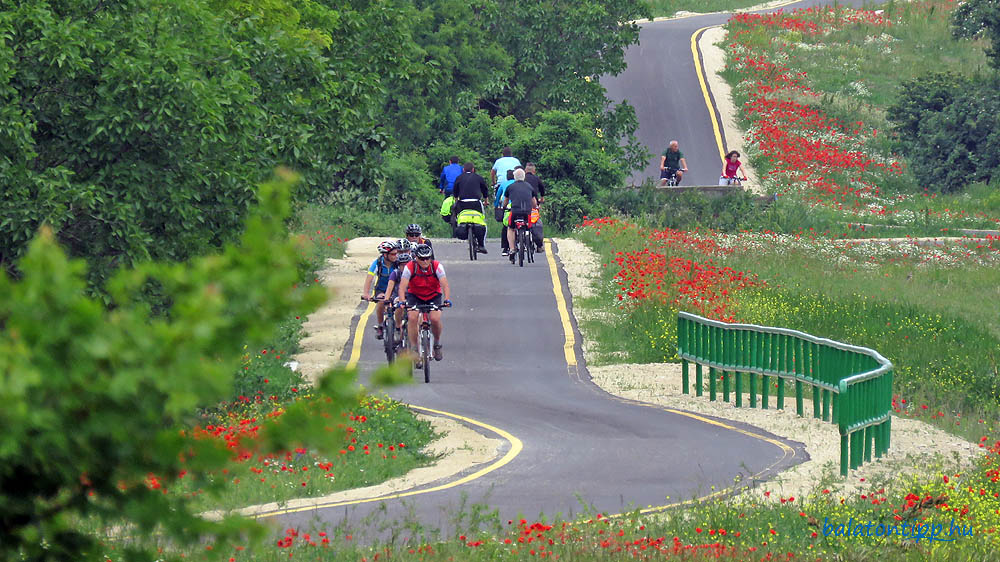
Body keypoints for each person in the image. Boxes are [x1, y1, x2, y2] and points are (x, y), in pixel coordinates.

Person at [397, 244, 452, 365]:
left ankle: (437, 343)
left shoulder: (437, 266)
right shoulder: (410, 267)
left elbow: (445, 284)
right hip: (415, 295)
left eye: (428, 258)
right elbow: (402, 286)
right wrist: (401, 301)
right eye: (422, 259)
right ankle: (414, 348)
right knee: (412, 317)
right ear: (416, 258)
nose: (425, 261)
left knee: (435, 318)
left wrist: (447, 299)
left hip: (433, 295)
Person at [361, 240, 399, 340]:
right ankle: (380, 325)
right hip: (381, 289)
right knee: (381, 303)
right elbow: (369, 278)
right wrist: (366, 294)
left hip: (395, 289)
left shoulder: (398, 263)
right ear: (385, 255)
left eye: (396, 253)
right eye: (393, 254)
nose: (396, 256)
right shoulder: (377, 263)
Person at [501, 168, 538, 264]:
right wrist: (535, 207)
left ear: (514, 177)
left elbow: (505, 201)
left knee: (510, 228)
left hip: (515, 211)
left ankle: (512, 249)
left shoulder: (510, 187)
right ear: (524, 176)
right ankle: (528, 240)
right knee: (529, 226)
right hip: (527, 212)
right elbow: (534, 202)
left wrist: (504, 207)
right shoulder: (529, 186)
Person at [496, 169, 516, 255]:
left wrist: (496, 205)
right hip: (518, 205)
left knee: (506, 226)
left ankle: (505, 248)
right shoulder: (518, 183)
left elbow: (498, 196)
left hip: (507, 206)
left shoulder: (503, 184)